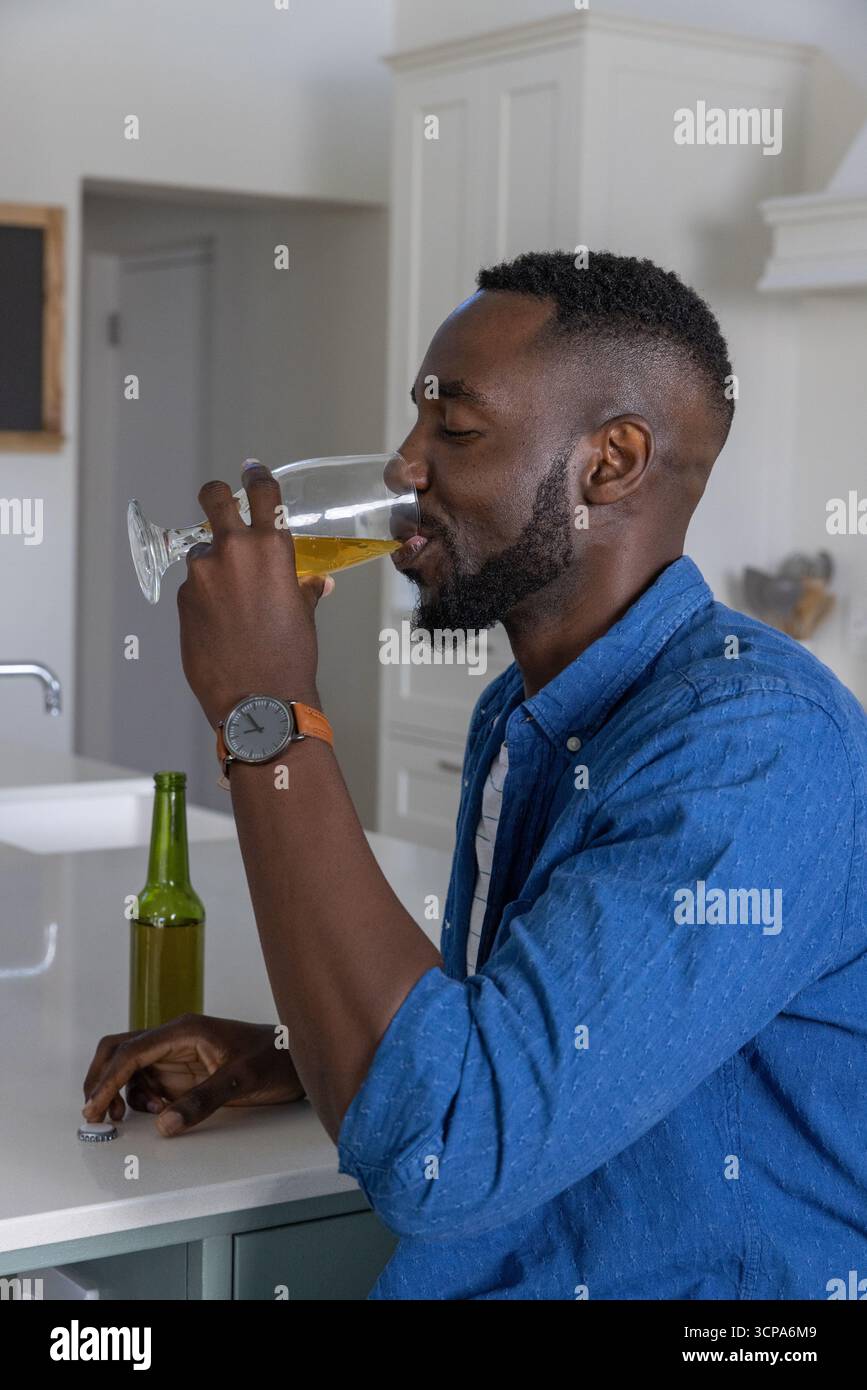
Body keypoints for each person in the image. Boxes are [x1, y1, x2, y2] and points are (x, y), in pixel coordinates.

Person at [82, 251, 867, 1300]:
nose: (403, 467)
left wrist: (265, 712)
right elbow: (518, 1035)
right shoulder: (522, 710)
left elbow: (446, 1149)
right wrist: (299, 1050)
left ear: (611, 463)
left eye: (453, 430)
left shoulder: (755, 747)